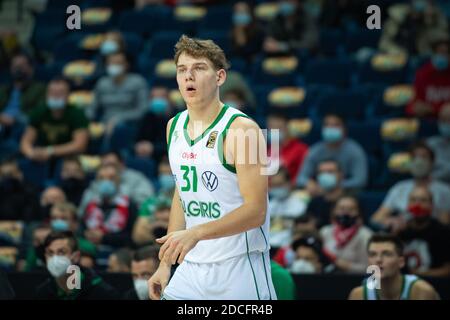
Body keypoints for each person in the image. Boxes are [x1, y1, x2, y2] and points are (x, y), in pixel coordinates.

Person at [148, 35, 276, 300]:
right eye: (182, 70)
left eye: (199, 68)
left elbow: (256, 211)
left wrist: (196, 233)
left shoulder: (245, 130)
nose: (189, 76)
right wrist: (165, 264)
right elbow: (182, 193)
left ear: (219, 77)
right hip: (191, 268)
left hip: (239, 266)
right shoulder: (173, 126)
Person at [372, 142, 450, 231]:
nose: (419, 161)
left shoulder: (445, 190)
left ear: (432, 162)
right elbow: (376, 218)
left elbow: (445, 222)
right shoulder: (399, 188)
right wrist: (391, 221)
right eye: (414, 157)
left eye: (424, 157)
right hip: (404, 234)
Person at [348, 233, 440, 300]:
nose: (378, 259)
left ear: (401, 262)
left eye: (386, 254)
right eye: (373, 254)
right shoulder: (358, 295)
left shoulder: (421, 291)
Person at [19, 77, 89, 164]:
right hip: (40, 156)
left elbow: (80, 145)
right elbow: (25, 142)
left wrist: (50, 151)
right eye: (52, 92)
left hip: (67, 158)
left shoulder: (77, 114)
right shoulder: (40, 111)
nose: (55, 96)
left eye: (60, 93)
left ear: (68, 95)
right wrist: (31, 153)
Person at [35, 231, 120, 300]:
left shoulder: (102, 293)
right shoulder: (42, 293)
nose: (55, 258)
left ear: (76, 257)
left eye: (61, 252)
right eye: (50, 253)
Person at [296, 114, 368, 194]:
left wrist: (338, 186)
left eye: (335, 125)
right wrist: (309, 184)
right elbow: (300, 178)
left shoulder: (355, 151)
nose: (331, 128)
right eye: (327, 125)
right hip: (318, 192)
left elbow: (360, 181)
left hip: (345, 193)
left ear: (344, 129)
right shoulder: (315, 150)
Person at [88, 51, 148, 136]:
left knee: (119, 128)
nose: (114, 66)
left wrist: (119, 118)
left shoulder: (138, 82)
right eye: (111, 63)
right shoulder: (101, 83)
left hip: (130, 124)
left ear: (126, 65)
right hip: (104, 124)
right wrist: (85, 122)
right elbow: (92, 108)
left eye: (118, 63)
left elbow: (143, 109)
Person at [79, 151, 155, 214]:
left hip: (131, 221)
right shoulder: (96, 182)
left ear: (122, 164)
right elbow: (83, 211)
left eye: (112, 165)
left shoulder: (136, 178)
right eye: (104, 166)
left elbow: (146, 204)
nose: (108, 169)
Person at [398, 185, 450, 277]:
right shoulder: (399, 230)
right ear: (407, 204)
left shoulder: (444, 232)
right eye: (413, 200)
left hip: (435, 284)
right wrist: (394, 235)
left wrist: (420, 274)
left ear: (431, 205)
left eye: (423, 200)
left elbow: (447, 270)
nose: (417, 205)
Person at [82, 164, 137, 248]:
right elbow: (82, 230)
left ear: (119, 181)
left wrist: (104, 237)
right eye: (101, 178)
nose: (106, 182)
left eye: (111, 178)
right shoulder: (90, 204)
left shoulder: (129, 205)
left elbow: (131, 237)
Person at [320, 195, 373, 273]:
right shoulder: (325, 232)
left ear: (359, 212)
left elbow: (368, 268)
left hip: (355, 280)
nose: (345, 213)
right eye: (341, 208)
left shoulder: (366, 235)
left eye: (351, 209)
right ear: (334, 211)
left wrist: (341, 264)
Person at [379, 0, 448, 56]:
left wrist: (430, 19)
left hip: (419, 58)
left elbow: (440, 40)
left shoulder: (432, 17)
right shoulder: (397, 15)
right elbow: (384, 42)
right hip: (395, 55)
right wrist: (395, 51)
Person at [0, 52, 46, 131]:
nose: (18, 69)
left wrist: (15, 119)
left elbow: (40, 113)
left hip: (21, 126)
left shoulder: (40, 89)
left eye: (21, 66)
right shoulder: (3, 90)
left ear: (31, 69)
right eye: (15, 66)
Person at [406, 37, 450, 118]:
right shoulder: (423, 74)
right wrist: (415, 108)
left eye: (445, 53)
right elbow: (412, 104)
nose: (442, 56)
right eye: (439, 53)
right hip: (428, 119)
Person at [268, 167, 307, 248]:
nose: (277, 188)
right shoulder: (270, 205)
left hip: (287, 246)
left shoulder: (299, 204)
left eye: (280, 185)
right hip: (269, 246)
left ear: (289, 183)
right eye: (274, 186)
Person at [134, 86, 174, 162]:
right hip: (149, 156)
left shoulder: (179, 117)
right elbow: (137, 139)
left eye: (161, 97)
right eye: (154, 97)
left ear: (169, 99)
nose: (157, 100)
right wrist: (139, 146)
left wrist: (154, 148)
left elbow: (179, 145)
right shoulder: (147, 116)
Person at [267, 112, 308, 184]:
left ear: (288, 128)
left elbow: (304, 175)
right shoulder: (268, 150)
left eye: (278, 128)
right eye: (271, 128)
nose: (274, 131)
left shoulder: (300, 149)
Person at [306, 159, 345, 228]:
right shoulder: (314, 203)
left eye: (330, 172)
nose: (325, 175)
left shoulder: (351, 201)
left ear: (341, 174)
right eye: (322, 172)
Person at [427, 103, 450, 183]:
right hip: (436, 187)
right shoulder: (430, 144)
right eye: (443, 120)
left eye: (449, 120)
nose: (447, 124)